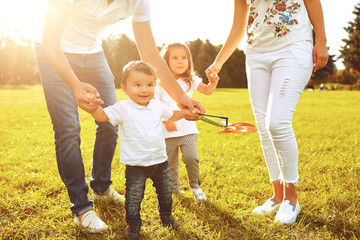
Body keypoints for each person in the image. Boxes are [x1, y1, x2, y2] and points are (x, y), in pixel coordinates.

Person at [34, 0, 204, 233]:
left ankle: (101, 187)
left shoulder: (139, 2)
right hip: (53, 51)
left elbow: (151, 54)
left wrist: (181, 98)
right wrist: (75, 85)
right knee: (68, 128)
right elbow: (50, 42)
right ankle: (82, 207)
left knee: (111, 122)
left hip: (92, 53)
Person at [206, 0, 328, 224]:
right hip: (256, 54)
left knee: (277, 122)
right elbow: (237, 26)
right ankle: (278, 194)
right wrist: (218, 62)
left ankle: (292, 199)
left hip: (293, 46)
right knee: (263, 126)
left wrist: (321, 40)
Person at [86, 61, 198, 239]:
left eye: (149, 85)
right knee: (134, 197)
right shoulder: (122, 108)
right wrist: (93, 109)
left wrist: (185, 113)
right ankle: (133, 224)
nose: (144, 90)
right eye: (137, 85)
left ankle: (166, 216)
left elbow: (171, 114)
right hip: (136, 165)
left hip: (160, 162)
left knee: (166, 192)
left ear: (155, 85)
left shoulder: (156, 105)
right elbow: (103, 116)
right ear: (125, 88)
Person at [155, 43, 219, 201]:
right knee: (171, 164)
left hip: (188, 130)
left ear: (189, 61)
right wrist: (164, 121)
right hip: (167, 131)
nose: (180, 61)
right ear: (165, 61)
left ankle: (195, 187)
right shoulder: (160, 83)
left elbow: (208, 90)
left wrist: (213, 81)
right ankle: (174, 189)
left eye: (184, 58)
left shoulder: (191, 80)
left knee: (191, 158)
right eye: (175, 57)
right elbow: (155, 105)